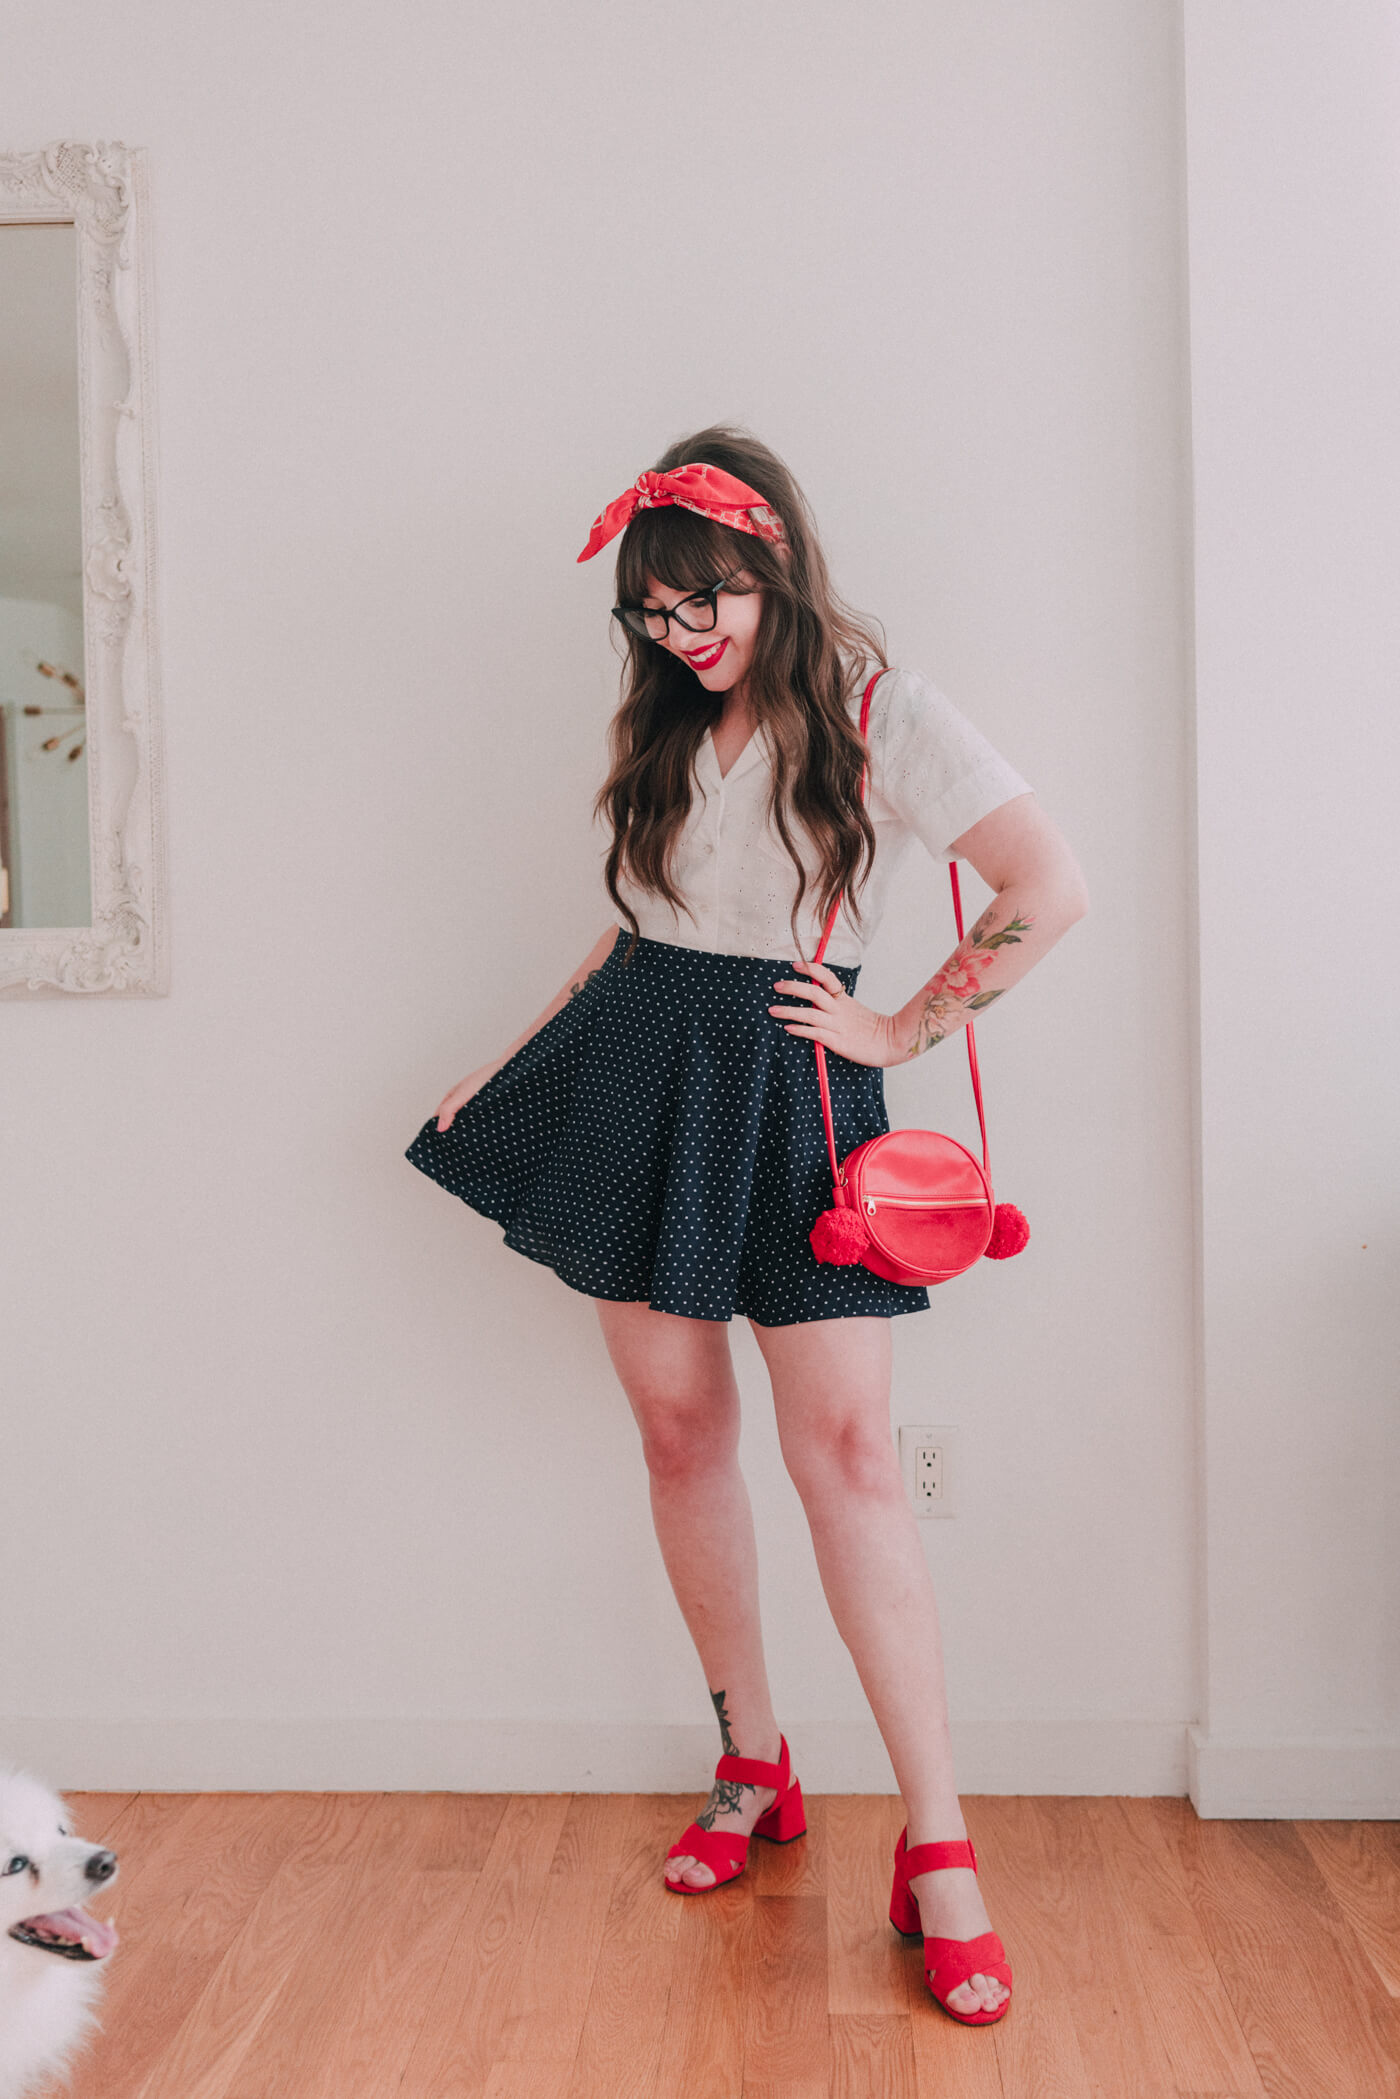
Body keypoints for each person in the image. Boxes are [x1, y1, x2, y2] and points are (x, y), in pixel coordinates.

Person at [405, 426, 1088, 2025]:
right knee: (673, 1435)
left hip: (793, 1090)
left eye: (703, 599)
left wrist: (903, 1031)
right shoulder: (668, 727)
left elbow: (1047, 884)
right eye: (652, 611)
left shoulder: (883, 710)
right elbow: (638, 928)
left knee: (846, 1460)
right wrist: (501, 1068)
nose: (680, 632)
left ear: (773, 565)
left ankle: (939, 1845)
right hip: (632, 1066)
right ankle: (752, 1761)